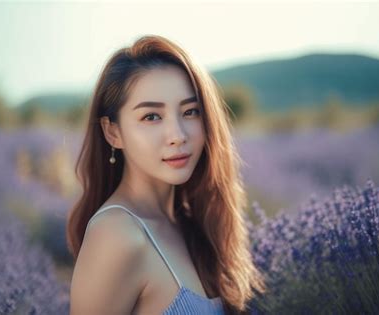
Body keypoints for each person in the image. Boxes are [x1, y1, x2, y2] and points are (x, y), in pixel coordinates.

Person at [67, 34, 266, 315]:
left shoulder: (187, 218)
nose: (177, 135)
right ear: (113, 132)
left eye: (190, 111)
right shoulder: (116, 235)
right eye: (151, 116)